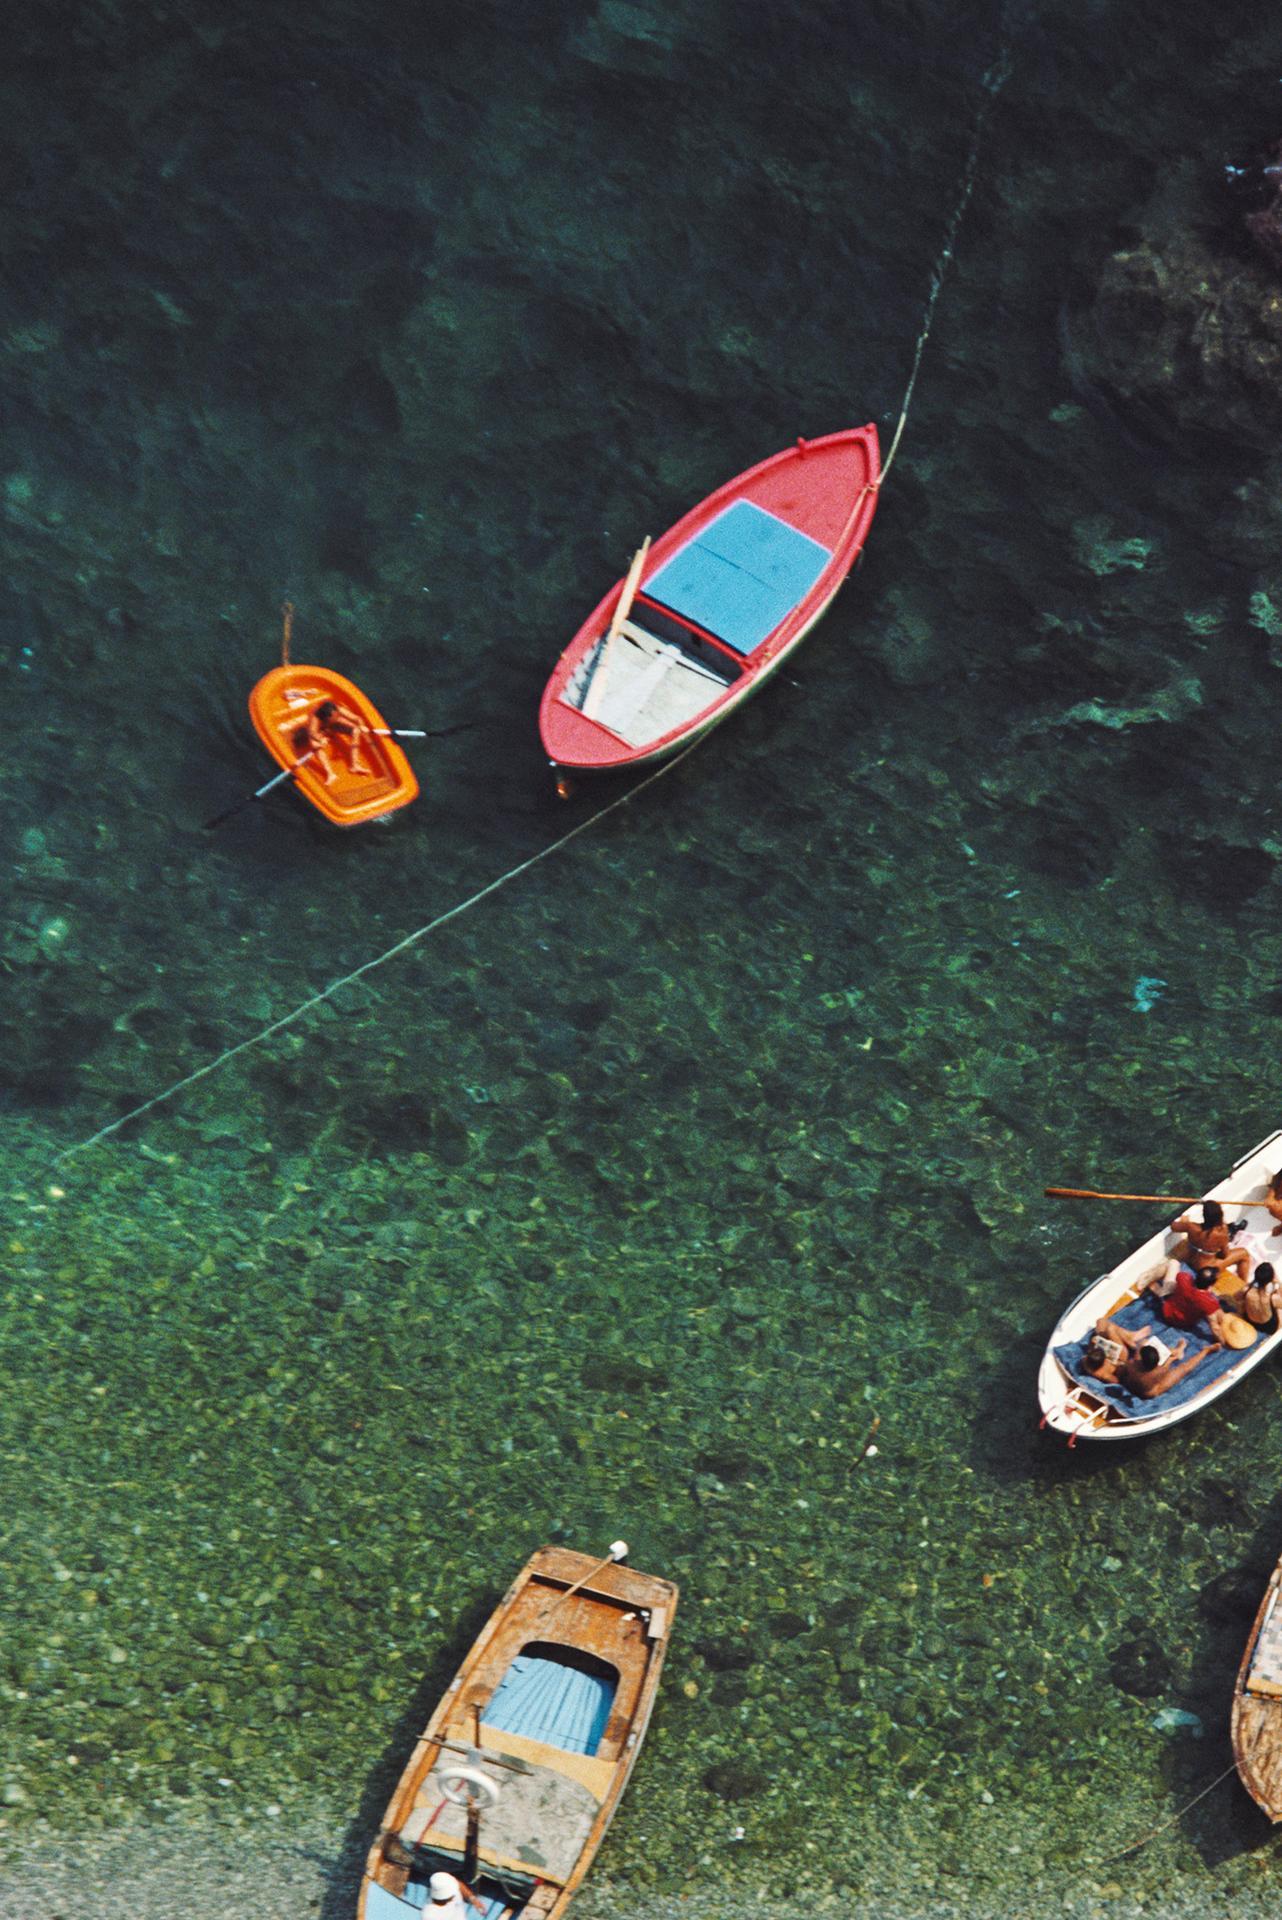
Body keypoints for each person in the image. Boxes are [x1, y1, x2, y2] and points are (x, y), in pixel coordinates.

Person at [1170, 1199, 1251, 1289]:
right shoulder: (1221, 1234)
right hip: (1205, 1269)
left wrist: (1185, 1222)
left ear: (1203, 1215)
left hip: (1190, 1259)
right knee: (1244, 1254)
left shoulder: (1191, 1226)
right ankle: (1244, 1286)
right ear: (1220, 1216)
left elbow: (1173, 1226)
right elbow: (1224, 1255)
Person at [1120, 1331, 1220, 1400]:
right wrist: (1170, 1360)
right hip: (1148, 1391)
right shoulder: (1159, 1371)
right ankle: (1203, 1351)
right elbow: (1166, 1368)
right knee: (1184, 1368)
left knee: (1144, 1343)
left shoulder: (1132, 1364)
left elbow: (1126, 1368)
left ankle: (1181, 1352)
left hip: (1134, 1385)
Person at [1081, 1316, 1148, 1386]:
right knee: (1111, 1329)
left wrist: (1094, 1341)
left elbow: (1091, 1352)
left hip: (1109, 1353)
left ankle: (1130, 1336)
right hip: (1121, 1358)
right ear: (1104, 1361)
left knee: (1100, 1321)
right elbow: (1116, 1381)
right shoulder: (1103, 1374)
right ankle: (1131, 1338)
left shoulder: (1086, 1361)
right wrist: (1118, 1366)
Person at [1241, 1261, 1282, 1335]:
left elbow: (1235, 1297)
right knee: (1279, 1309)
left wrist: (1251, 1284)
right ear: (1272, 1278)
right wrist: (1278, 1283)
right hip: (1268, 1328)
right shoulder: (1273, 1298)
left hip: (1250, 1322)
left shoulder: (1246, 1290)